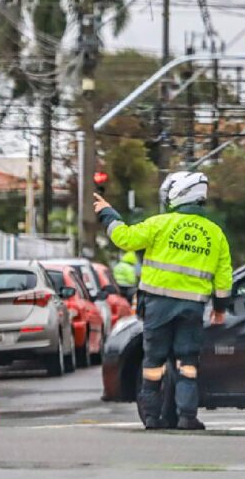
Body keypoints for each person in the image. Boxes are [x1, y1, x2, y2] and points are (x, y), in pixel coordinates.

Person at [93, 171, 233, 430]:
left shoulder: (160, 223)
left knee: (153, 362)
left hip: (158, 305)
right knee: (187, 363)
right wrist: (221, 309)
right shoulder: (215, 234)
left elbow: (125, 238)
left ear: (178, 194)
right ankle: (187, 417)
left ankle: (152, 417)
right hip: (192, 307)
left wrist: (108, 214)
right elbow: (223, 278)